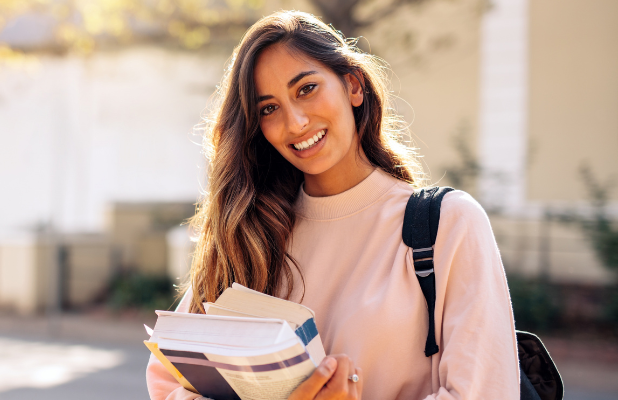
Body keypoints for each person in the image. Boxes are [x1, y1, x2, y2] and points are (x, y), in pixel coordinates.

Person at [146, 10, 519, 400]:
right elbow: (169, 383)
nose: (296, 123)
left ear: (353, 85)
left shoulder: (448, 225)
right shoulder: (248, 234)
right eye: (268, 109)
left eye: (306, 88)